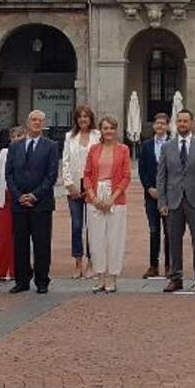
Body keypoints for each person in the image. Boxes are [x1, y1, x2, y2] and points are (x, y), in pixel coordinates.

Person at [158, 109, 195, 293]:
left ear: (192, 123)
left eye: (185, 121)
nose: (182, 124)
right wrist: (162, 202)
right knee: (173, 240)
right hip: (173, 200)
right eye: (179, 121)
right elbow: (161, 177)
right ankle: (176, 278)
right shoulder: (167, 147)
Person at [6, 110, 60, 295]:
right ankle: (21, 280)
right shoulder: (15, 146)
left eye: (40, 121)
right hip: (18, 203)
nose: (36, 123)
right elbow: (9, 173)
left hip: (41, 203)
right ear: (28, 122)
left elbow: (51, 175)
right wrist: (19, 195)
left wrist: (34, 195)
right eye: (34, 120)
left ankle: (42, 280)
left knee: (41, 243)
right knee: (20, 243)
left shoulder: (51, 146)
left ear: (44, 124)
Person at [83, 115, 131, 293]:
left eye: (111, 128)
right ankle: (100, 275)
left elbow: (126, 175)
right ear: (100, 131)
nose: (108, 131)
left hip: (115, 197)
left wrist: (113, 197)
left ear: (116, 130)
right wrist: (93, 197)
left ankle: (112, 276)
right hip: (95, 196)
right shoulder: (94, 149)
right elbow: (87, 174)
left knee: (114, 238)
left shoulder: (124, 149)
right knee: (96, 239)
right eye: (105, 128)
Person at [60, 105, 98, 280]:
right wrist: (69, 185)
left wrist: (92, 187)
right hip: (74, 187)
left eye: (86, 116)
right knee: (76, 226)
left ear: (90, 119)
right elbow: (65, 162)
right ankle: (78, 262)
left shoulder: (97, 136)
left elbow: (99, 161)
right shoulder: (69, 137)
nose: (83, 119)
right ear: (76, 119)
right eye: (80, 117)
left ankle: (92, 262)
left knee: (92, 226)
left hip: (92, 187)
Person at [137, 113, 171, 278]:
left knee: (170, 231)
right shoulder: (146, 146)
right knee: (153, 230)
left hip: (169, 196)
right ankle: (153, 265)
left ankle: (170, 265)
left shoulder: (174, 145)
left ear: (168, 126)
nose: (160, 126)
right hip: (151, 195)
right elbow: (142, 169)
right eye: (157, 123)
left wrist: (165, 190)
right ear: (153, 126)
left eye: (163, 124)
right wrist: (149, 187)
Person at [0, 126, 25, 282]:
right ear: (10, 139)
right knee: (2, 235)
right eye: (15, 136)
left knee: (19, 235)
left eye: (21, 136)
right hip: (6, 197)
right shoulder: (4, 153)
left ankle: (16, 270)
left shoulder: (28, 153)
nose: (18, 139)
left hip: (21, 198)